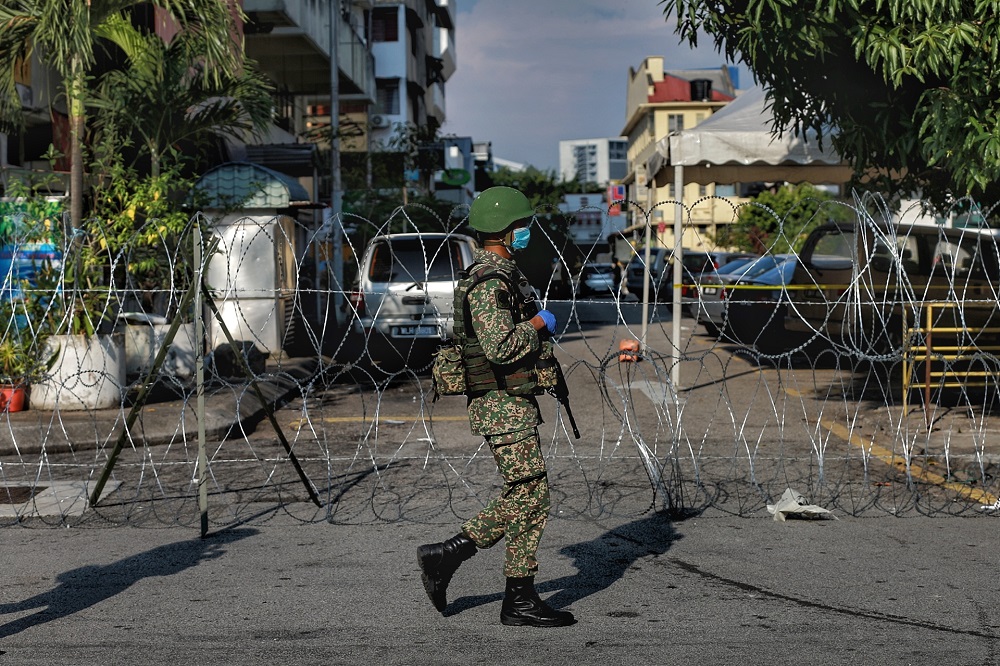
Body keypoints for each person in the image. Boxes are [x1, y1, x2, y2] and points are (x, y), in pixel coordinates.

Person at [416, 186, 576, 628]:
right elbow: (500, 347)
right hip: (501, 404)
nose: (528, 232)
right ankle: (448, 555)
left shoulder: (500, 273)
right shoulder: (490, 282)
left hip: (510, 403)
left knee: (530, 495)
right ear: (506, 231)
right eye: (523, 227)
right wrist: (539, 323)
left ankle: (513, 595)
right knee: (531, 495)